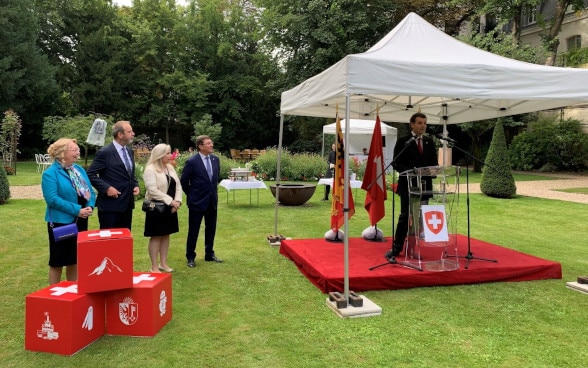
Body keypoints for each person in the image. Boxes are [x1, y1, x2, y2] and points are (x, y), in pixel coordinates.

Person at [42, 138, 96, 285]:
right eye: (75, 150)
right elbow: (52, 199)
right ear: (62, 153)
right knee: (58, 261)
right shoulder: (50, 174)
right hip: (62, 223)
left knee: (75, 258)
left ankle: (73, 291)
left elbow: (90, 192)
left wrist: (90, 206)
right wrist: (77, 210)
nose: (78, 152)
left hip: (81, 220)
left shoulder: (79, 170)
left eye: (78, 149)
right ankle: (54, 294)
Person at [390, 112, 438, 257]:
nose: (423, 126)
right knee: (406, 217)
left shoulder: (429, 142)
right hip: (408, 186)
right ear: (412, 124)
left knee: (418, 219)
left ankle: (412, 249)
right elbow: (396, 163)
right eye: (419, 123)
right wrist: (412, 172)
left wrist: (433, 170)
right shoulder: (404, 141)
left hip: (424, 186)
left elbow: (434, 164)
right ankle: (396, 248)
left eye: (425, 123)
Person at [88, 121, 140, 230]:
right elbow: (90, 174)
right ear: (120, 135)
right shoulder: (105, 152)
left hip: (126, 205)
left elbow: (129, 173)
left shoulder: (129, 151)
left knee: (124, 241)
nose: (133, 134)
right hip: (110, 207)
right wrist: (107, 188)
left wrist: (135, 184)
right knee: (109, 243)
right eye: (129, 131)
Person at [181, 135, 223, 267]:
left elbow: (214, 180)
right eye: (208, 143)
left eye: (211, 143)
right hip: (197, 201)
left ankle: (209, 254)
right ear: (200, 146)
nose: (211, 145)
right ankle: (190, 257)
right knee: (194, 230)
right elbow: (183, 181)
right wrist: (192, 194)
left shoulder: (215, 160)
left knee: (211, 228)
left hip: (211, 201)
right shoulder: (192, 161)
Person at [143, 144, 183, 273]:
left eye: (170, 153)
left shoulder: (170, 167)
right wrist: (170, 201)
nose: (170, 156)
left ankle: (163, 263)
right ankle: (154, 266)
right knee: (156, 236)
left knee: (166, 234)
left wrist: (177, 201)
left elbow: (178, 186)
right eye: (167, 153)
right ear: (160, 155)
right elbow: (153, 190)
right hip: (157, 207)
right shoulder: (150, 169)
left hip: (171, 207)